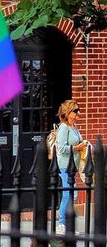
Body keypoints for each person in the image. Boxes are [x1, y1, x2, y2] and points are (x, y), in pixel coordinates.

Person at [56, 99, 88, 231]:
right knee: (68, 194)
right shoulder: (63, 127)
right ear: (68, 112)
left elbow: (78, 143)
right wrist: (77, 147)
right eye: (75, 111)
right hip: (64, 165)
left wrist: (83, 145)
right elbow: (61, 148)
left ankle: (67, 224)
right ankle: (61, 224)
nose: (78, 113)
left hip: (72, 166)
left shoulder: (74, 127)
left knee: (72, 194)